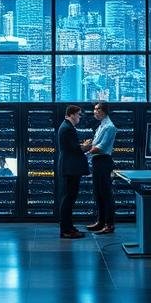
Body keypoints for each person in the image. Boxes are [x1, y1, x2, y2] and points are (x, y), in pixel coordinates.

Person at [82, 101, 117, 234]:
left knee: (106, 194)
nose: (94, 112)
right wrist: (89, 146)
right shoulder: (102, 125)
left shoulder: (109, 127)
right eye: (94, 109)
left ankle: (109, 225)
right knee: (98, 193)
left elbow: (101, 148)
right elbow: (96, 144)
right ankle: (100, 222)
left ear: (104, 111)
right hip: (97, 162)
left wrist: (84, 151)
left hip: (103, 162)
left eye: (97, 109)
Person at [56, 105, 88, 239]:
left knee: (69, 198)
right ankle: (66, 230)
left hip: (69, 167)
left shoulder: (66, 127)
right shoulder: (67, 128)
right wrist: (87, 146)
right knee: (68, 199)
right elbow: (75, 149)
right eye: (79, 114)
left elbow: (72, 147)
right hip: (70, 168)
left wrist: (82, 146)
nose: (80, 117)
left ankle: (69, 227)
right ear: (72, 114)